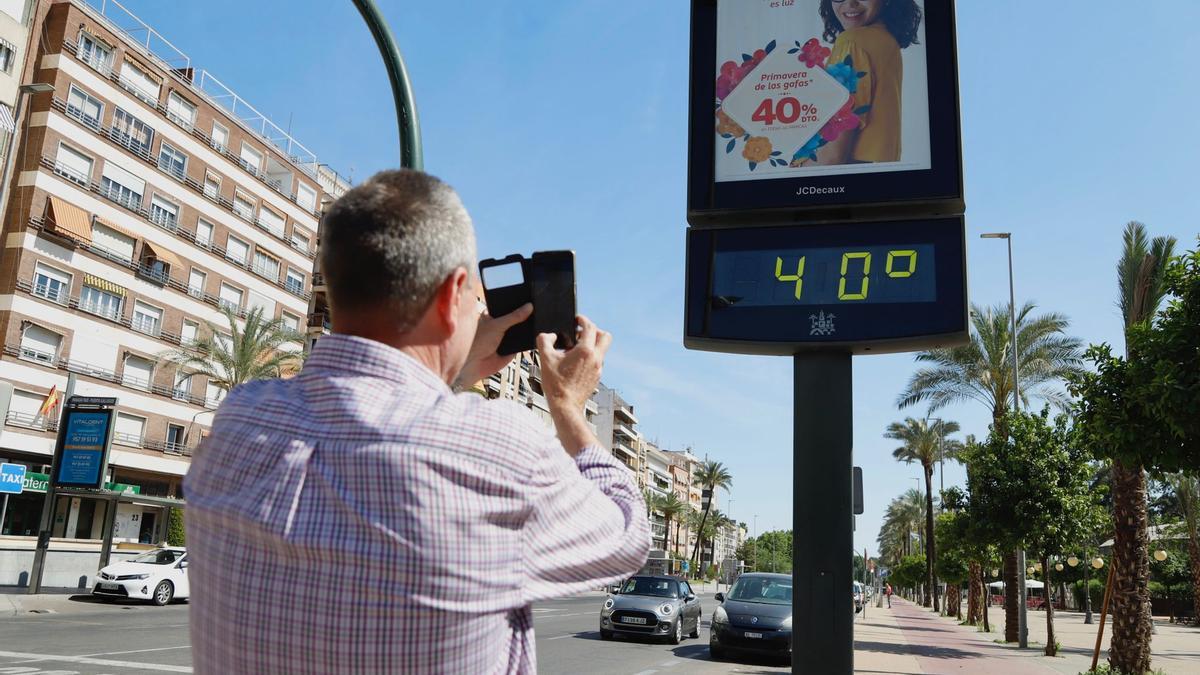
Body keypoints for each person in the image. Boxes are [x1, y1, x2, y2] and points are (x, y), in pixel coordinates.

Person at [184, 170, 650, 674]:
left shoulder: (241, 417)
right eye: (476, 301)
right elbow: (627, 536)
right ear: (451, 295)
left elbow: (372, 432)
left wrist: (457, 370)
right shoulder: (497, 450)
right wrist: (567, 405)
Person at [810, 0, 924, 165]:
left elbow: (831, 156)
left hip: (842, 180)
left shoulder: (853, 41)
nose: (850, 3)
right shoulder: (887, 41)